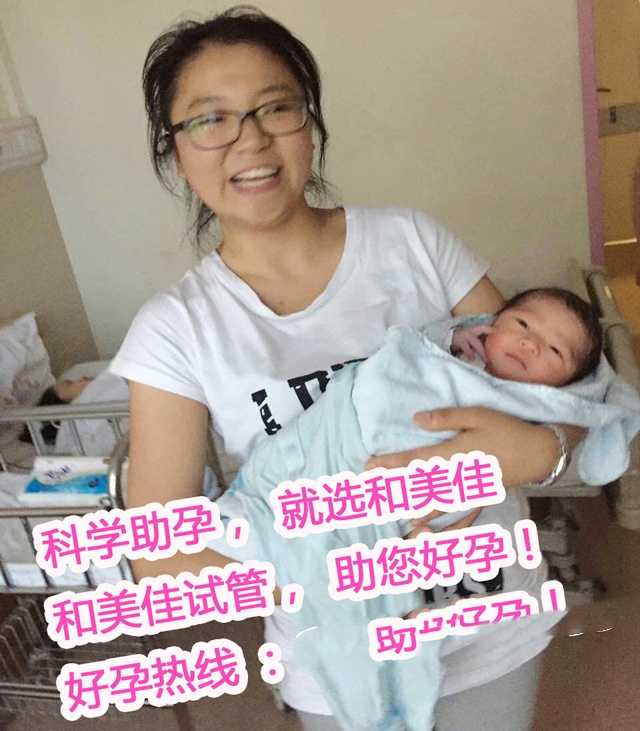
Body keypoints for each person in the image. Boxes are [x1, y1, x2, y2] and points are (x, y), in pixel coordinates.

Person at [110, 7, 586, 730]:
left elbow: (565, 398)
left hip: (495, 631)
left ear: (310, 123)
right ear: (176, 154)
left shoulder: (413, 242)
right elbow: (159, 555)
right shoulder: (174, 330)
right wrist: (330, 563)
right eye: (210, 120)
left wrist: (542, 453)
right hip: (340, 666)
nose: (250, 139)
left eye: (276, 107)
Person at [212, 285, 640, 730]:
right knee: (277, 525)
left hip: (473, 594)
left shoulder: (534, 404)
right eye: (522, 323)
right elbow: (400, 363)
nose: (530, 342)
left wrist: (543, 447)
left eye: (554, 350)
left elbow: (584, 413)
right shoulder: (443, 354)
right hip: (336, 470)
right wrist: (450, 339)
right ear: (490, 326)